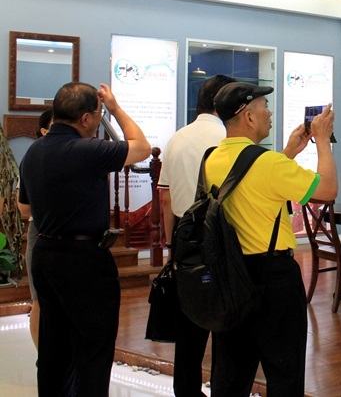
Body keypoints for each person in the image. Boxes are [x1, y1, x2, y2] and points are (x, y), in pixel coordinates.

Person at [17, 82, 151, 396]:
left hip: (45, 252)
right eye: (98, 115)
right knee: (93, 347)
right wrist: (115, 109)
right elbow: (141, 147)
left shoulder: (34, 151)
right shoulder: (87, 150)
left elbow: (24, 207)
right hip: (83, 259)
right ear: (87, 118)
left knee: (53, 346)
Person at [206, 81, 337, 396]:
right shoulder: (268, 163)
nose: (269, 114)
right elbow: (328, 190)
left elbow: (253, 180)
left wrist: (289, 152)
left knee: (231, 373)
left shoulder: (211, 158)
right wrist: (322, 140)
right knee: (284, 373)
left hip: (230, 277)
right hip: (273, 279)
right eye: (265, 108)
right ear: (248, 116)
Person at [157, 74, 235, 397]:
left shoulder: (176, 138)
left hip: (183, 238)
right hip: (222, 238)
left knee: (189, 321)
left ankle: (186, 389)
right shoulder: (230, 138)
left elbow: (165, 199)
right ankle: (222, 388)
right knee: (226, 324)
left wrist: (171, 245)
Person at [24, 108, 53, 350]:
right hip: (40, 230)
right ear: (43, 131)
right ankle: (41, 356)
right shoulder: (33, 157)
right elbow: (24, 208)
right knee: (39, 301)